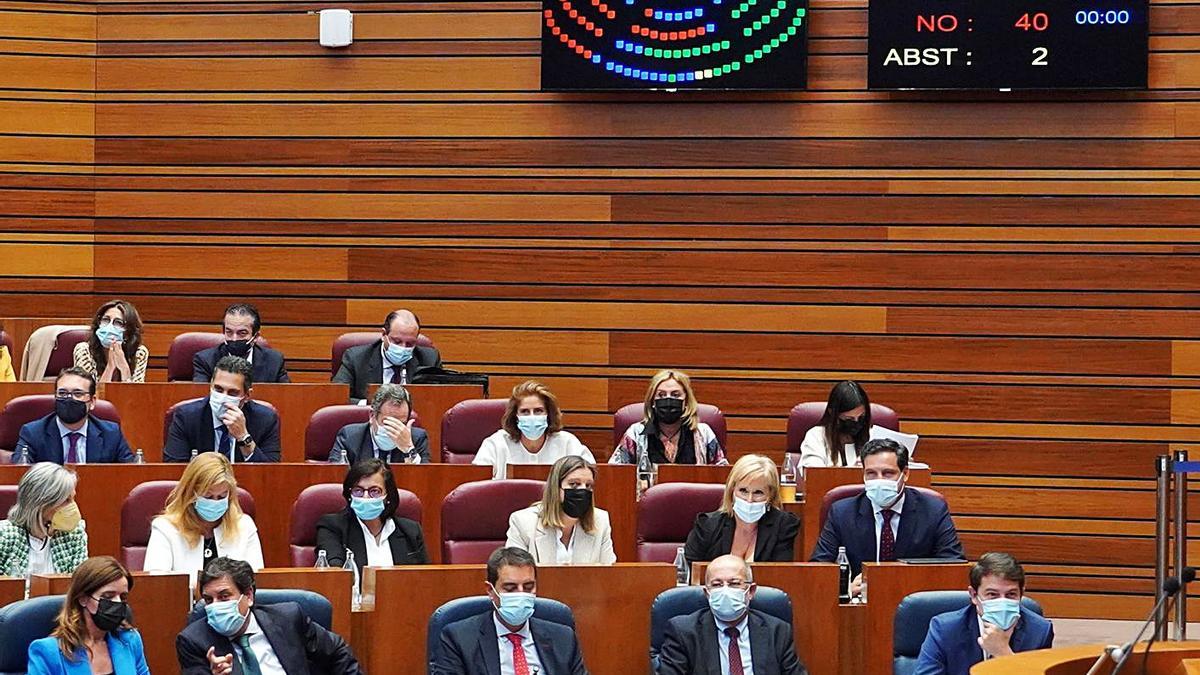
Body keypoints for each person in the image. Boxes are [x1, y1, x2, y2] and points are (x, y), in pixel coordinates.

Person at [810, 439, 963, 595]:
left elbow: (953, 565)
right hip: (860, 603)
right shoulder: (842, 512)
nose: (879, 480)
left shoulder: (933, 510)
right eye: (871, 474)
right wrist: (844, 589)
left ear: (905, 474)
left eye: (888, 473)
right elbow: (819, 567)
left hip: (913, 600)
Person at [177, 557, 363, 675]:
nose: (215, 606)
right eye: (209, 600)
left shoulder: (288, 618)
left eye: (224, 597)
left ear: (248, 596)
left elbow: (338, 653)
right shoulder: (194, 640)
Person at [432, 546, 587, 675]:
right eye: (510, 588)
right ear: (490, 590)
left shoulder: (563, 638)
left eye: (528, 587)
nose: (520, 594)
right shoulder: (458, 638)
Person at [658, 554, 807, 675]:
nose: (725, 591)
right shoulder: (683, 632)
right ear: (707, 593)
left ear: (751, 591)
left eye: (734, 583)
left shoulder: (778, 631)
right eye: (716, 585)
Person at [915, 552, 1054, 675]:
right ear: (974, 595)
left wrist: (1003, 654)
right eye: (992, 594)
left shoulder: (1039, 631)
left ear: (1021, 594)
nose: (1002, 602)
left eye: (1011, 594)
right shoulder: (944, 629)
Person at [143, 453, 264, 588]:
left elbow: (255, 583)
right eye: (208, 496)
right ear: (190, 493)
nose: (215, 502)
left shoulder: (244, 526)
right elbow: (157, 586)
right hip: (184, 607)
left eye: (222, 496)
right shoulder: (166, 528)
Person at [27, 556, 149, 675]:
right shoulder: (47, 652)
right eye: (107, 596)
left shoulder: (130, 640)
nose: (117, 602)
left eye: (122, 597)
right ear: (83, 599)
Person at [315, 458, 429, 574]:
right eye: (358, 490)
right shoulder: (332, 527)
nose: (365, 497)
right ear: (349, 495)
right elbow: (336, 576)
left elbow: (424, 579)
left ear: (388, 496)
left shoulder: (411, 531)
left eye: (374, 491)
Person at [685, 454, 800, 564]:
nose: (749, 500)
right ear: (732, 491)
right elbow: (693, 572)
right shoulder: (708, 525)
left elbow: (780, 575)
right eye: (743, 491)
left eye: (758, 492)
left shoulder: (783, 526)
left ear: (770, 496)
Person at [164, 355, 281, 463]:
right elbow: (173, 470)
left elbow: (269, 475)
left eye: (232, 393)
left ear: (247, 396)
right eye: (218, 389)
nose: (223, 397)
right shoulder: (186, 417)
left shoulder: (265, 419)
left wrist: (243, 437)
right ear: (210, 386)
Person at [505, 455, 616, 564]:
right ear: (556, 489)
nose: (582, 490)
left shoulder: (601, 521)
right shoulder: (523, 522)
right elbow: (516, 574)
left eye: (588, 485)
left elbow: (608, 576)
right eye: (574, 484)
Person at [474, 381, 595, 480]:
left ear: (548, 414)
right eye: (525, 411)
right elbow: (476, 485)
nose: (532, 417)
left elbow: (591, 478)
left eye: (538, 411)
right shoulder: (496, 443)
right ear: (515, 416)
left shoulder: (568, 442)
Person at [609, 369, 727, 466]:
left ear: (686, 401)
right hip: (647, 494)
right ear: (653, 401)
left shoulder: (703, 433)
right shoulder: (636, 433)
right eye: (661, 395)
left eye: (675, 395)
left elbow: (722, 474)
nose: (668, 399)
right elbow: (616, 473)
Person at [17, 367, 134, 464]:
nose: (69, 399)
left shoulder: (111, 434)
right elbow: (20, 475)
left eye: (77, 393)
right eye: (62, 393)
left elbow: (131, 474)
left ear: (92, 401)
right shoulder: (33, 433)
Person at [333, 309, 442, 402]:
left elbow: (441, 399)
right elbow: (336, 398)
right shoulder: (356, 359)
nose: (403, 348)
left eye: (410, 343)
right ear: (384, 334)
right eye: (397, 341)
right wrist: (370, 405)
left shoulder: (429, 359)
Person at [0, 462, 87, 576]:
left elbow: (80, 586)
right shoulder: (4, 536)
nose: (73, 507)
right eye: (66, 500)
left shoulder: (74, 533)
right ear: (41, 504)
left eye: (73, 499)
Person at [329, 384, 430, 464]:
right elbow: (335, 478)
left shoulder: (417, 439)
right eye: (388, 422)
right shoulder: (349, 437)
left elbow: (425, 482)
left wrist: (409, 449)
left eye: (401, 423)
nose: (395, 429)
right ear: (372, 416)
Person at [193, 303, 290, 384]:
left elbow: (286, 396)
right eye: (229, 332)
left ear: (255, 336)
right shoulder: (205, 360)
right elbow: (200, 399)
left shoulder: (274, 361)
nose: (234, 339)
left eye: (242, 333)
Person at [72, 300, 149, 383]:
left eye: (118, 323)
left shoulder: (139, 353)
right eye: (105, 320)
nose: (109, 327)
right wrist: (110, 367)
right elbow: (88, 393)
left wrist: (124, 369)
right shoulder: (84, 350)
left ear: (128, 332)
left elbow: (135, 394)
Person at [799, 380, 871, 469]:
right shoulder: (816, 436)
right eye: (849, 419)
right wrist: (852, 471)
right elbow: (814, 473)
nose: (856, 422)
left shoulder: (872, 436)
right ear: (832, 413)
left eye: (861, 417)